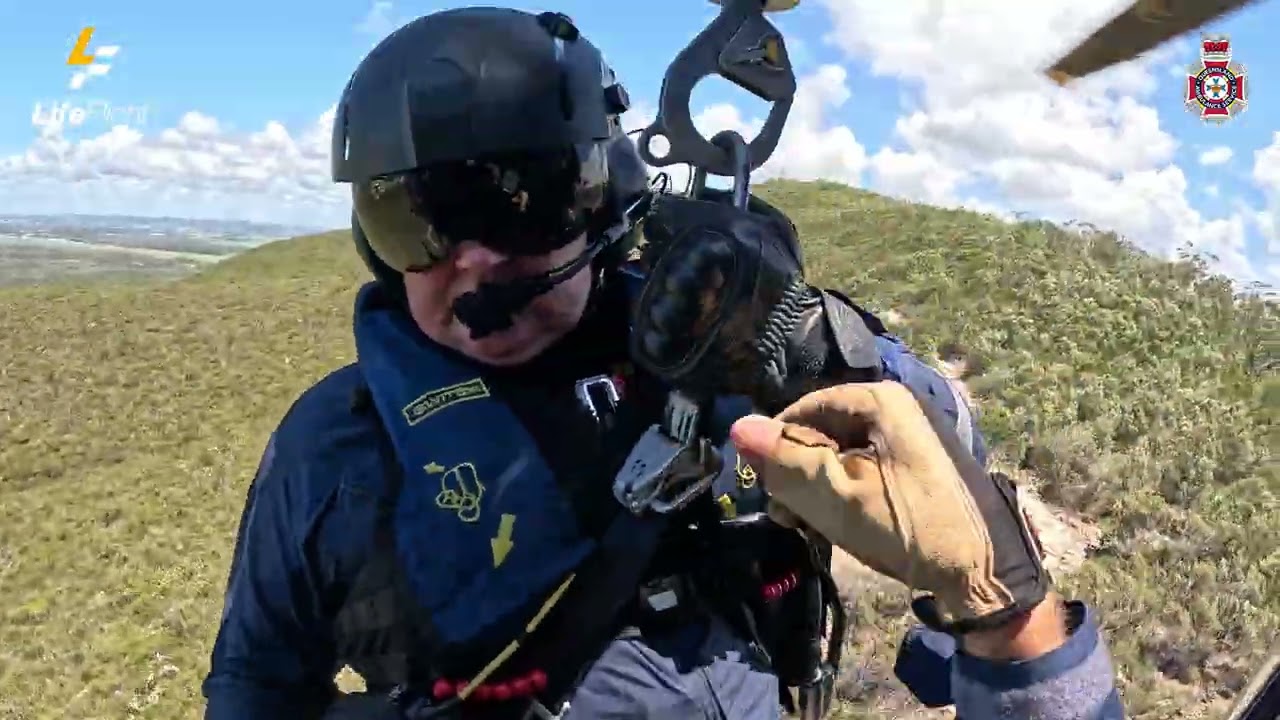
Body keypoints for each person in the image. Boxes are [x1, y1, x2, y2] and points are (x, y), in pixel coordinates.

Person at [201, 7, 1123, 720]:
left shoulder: (718, 349)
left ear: (602, 202)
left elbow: (944, 440)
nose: (473, 262)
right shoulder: (334, 448)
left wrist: (807, 341)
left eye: (525, 204)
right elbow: (255, 678)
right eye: (417, 219)